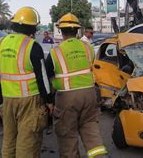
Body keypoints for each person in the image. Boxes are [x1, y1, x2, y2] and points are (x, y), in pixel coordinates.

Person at [0, 6, 54, 158]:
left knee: (9, 142)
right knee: (28, 145)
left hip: (7, 100)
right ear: (32, 27)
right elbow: (43, 78)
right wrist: (49, 101)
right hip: (29, 101)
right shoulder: (32, 46)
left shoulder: (0, 44)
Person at [45, 13, 108, 158]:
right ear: (77, 31)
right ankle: (99, 156)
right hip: (89, 94)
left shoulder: (55, 52)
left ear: (61, 31)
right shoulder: (88, 48)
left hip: (67, 97)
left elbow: (47, 74)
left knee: (67, 136)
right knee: (91, 130)